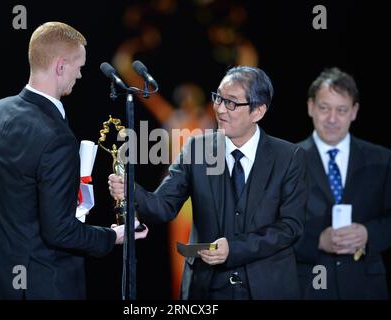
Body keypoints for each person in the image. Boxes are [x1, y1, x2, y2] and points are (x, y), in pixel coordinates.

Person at [0, 21, 148, 300]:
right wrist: (113, 237)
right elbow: (59, 232)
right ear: (60, 66)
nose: (79, 74)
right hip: (42, 283)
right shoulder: (56, 136)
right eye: (79, 66)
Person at [109, 66, 307, 299]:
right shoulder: (196, 149)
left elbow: (290, 227)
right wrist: (132, 191)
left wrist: (234, 249)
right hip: (207, 289)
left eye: (231, 102)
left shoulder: (289, 157)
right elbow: (163, 206)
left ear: (258, 111)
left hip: (268, 287)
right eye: (218, 98)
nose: (220, 109)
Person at [295, 67, 391, 299]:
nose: (332, 119)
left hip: (367, 288)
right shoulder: (287, 161)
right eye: (324, 108)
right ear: (310, 107)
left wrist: (368, 234)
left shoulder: (381, 159)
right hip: (310, 287)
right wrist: (317, 241)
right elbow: (274, 227)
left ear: (354, 111)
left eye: (341, 110)